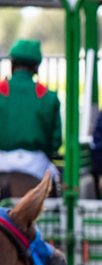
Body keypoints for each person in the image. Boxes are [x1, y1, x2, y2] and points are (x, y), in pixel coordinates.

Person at [0, 39, 61, 185]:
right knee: (57, 185)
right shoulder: (48, 96)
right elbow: (55, 140)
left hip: (2, 160)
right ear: (36, 67)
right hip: (36, 164)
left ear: (12, 63)